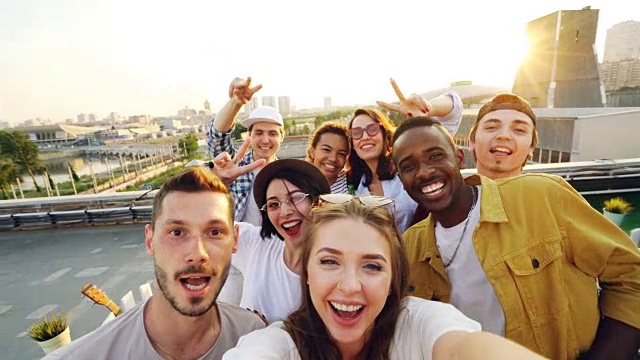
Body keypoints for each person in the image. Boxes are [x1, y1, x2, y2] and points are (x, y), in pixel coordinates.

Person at [390, 116, 640, 359]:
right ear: (401, 180)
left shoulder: (540, 197)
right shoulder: (409, 248)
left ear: (458, 158)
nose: (424, 172)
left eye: (435, 156)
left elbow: (630, 275)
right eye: (409, 166)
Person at [223, 196, 546, 360]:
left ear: (395, 279)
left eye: (372, 266)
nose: (350, 286)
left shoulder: (418, 326)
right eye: (329, 261)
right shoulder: (279, 347)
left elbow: (463, 346)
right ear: (306, 273)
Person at [45, 168, 265, 360]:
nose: (198, 253)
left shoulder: (254, 336)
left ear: (235, 240)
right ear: (150, 240)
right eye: (177, 232)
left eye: (215, 232)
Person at [214, 158, 331, 323]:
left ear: (316, 201)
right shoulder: (257, 244)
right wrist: (213, 184)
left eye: (295, 198)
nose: (285, 212)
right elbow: (199, 223)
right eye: (273, 204)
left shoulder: (332, 269)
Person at [347, 79, 463, 232]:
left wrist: (427, 109)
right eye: (356, 132)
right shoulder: (355, 183)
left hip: (424, 251)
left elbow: (454, 111)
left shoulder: (408, 165)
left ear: (384, 133)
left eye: (372, 129)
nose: (365, 136)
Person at [408, 92, 539, 225]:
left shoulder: (545, 204)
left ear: (531, 148)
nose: (504, 135)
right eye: (491, 127)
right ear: (472, 141)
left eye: (519, 130)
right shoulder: (439, 201)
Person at [207, 76, 279, 225]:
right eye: (259, 133)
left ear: (282, 137)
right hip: (237, 246)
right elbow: (216, 138)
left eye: (272, 133)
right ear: (249, 136)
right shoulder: (234, 166)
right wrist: (235, 103)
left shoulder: (287, 173)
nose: (265, 140)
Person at [306, 122, 350, 193]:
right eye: (326, 150)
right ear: (312, 152)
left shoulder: (353, 181)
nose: (333, 159)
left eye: (341, 154)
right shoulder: (296, 186)